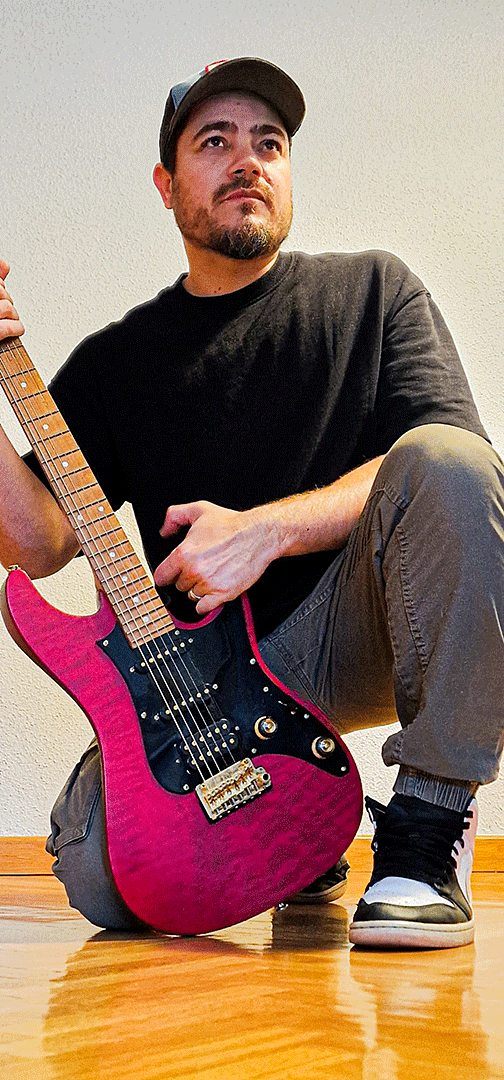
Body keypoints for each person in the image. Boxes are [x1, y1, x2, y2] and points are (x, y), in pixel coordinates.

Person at [0, 57, 503, 948]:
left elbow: (452, 471)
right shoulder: (118, 360)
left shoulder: (374, 291)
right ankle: (302, 841)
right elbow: (35, 543)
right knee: (98, 874)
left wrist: (265, 532)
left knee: (450, 459)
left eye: (269, 142)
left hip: (350, 634)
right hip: (197, 682)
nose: (247, 160)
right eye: (214, 141)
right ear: (166, 185)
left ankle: (428, 831)